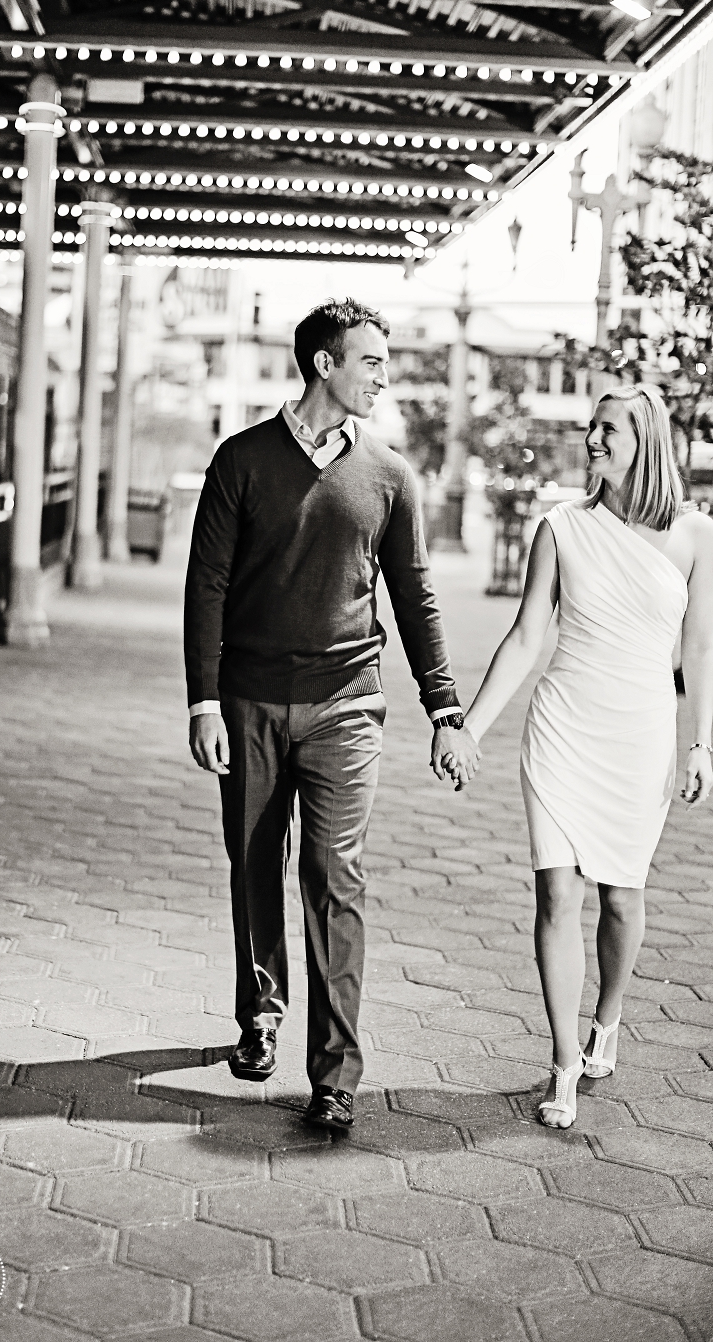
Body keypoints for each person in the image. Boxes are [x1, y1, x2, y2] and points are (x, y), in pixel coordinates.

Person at [184, 297, 480, 1130]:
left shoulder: (390, 474)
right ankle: (261, 1014)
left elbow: (415, 599)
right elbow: (205, 585)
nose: (384, 376)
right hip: (247, 701)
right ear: (325, 364)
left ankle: (336, 1071)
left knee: (334, 876)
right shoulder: (240, 460)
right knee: (254, 865)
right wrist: (203, 700)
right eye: (372, 361)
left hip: (349, 705)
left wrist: (445, 709)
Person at [457, 382, 713, 1128]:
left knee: (622, 899)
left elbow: (697, 650)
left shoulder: (696, 536)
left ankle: (609, 1016)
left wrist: (700, 743)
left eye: (609, 430)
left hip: (640, 735)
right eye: (591, 429)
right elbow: (528, 637)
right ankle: (564, 1062)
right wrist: (471, 726)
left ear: (646, 443)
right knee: (556, 895)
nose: (594, 441)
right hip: (564, 726)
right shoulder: (561, 528)